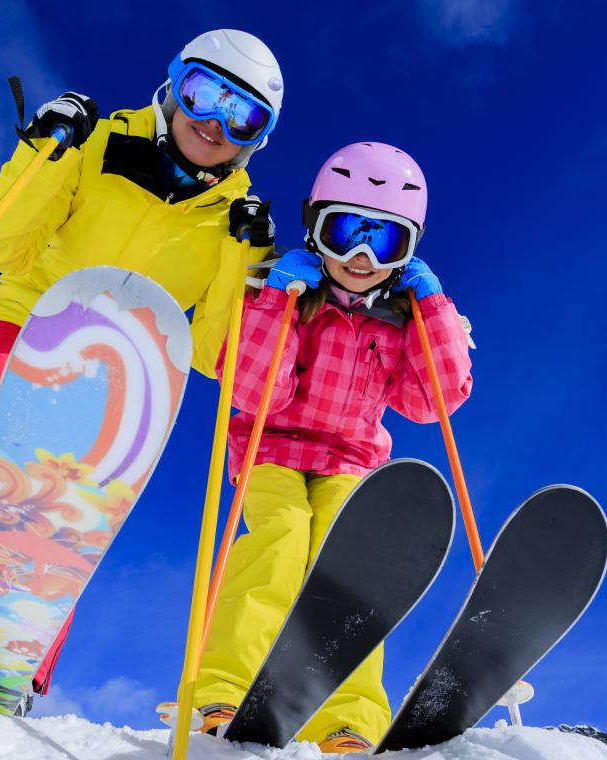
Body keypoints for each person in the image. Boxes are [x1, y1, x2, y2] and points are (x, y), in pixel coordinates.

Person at [0, 29, 284, 709]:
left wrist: (246, 261)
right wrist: (46, 150)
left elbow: (212, 356)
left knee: (71, 500)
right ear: (175, 85)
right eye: (205, 94)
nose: (214, 124)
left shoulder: (233, 222)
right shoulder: (96, 144)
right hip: (28, 325)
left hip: (124, 372)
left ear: (256, 137)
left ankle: (10, 666)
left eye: (243, 116)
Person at [189, 143, 473, 753]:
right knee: (281, 542)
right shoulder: (291, 294)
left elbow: (433, 402)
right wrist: (278, 302)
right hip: (273, 449)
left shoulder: (402, 319)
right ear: (315, 226)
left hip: (352, 460)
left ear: (409, 253)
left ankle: (348, 716)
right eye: (345, 231)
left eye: (386, 241)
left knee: (352, 568)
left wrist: (433, 307)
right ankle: (225, 688)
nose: (362, 256)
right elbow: (254, 388)